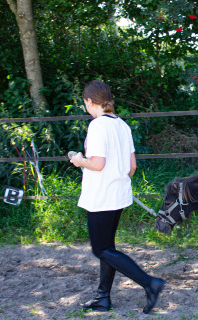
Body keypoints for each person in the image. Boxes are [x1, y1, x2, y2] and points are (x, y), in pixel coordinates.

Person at [70, 80, 165, 314]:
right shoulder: (121, 124)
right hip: (119, 195)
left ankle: (150, 283)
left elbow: (98, 163)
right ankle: (103, 297)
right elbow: (131, 167)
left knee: (101, 249)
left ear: (89, 101)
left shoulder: (98, 126)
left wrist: (78, 160)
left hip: (101, 196)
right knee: (107, 247)